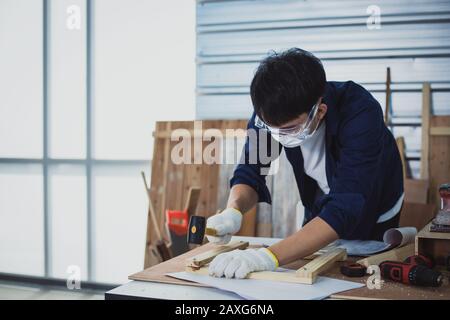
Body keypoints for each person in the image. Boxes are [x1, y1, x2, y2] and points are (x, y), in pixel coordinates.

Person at [206, 48, 404, 279]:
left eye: (288, 129)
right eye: (272, 129)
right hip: (321, 199)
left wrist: (265, 257)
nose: (278, 135)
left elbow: (347, 205)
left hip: (373, 203)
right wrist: (233, 211)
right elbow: (251, 170)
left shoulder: (360, 112)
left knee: (361, 276)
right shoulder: (270, 112)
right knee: (311, 264)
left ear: (319, 111)